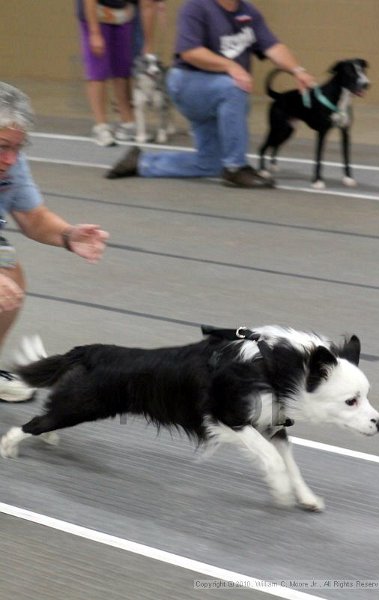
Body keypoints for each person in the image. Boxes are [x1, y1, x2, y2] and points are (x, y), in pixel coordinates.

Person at [106, 0, 315, 188]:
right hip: (188, 83)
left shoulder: (249, 12)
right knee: (234, 88)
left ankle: (142, 162)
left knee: (210, 163)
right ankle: (236, 168)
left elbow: (273, 47)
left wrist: (297, 70)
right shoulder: (196, 7)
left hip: (215, 92)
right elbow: (190, 52)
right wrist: (229, 66)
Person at [0, 82, 109, 401]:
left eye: (17, 148)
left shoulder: (11, 162)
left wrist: (68, 235)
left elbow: (33, 217)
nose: (11, 158)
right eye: (3, 146)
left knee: (9, 277)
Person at [76, 0, 136, 146]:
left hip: (121, 15)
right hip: (96, 15)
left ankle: (127, 122)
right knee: (97, 71)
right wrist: (94, 32)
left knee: (122, 70)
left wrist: (130, 8)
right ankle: (101, 125)